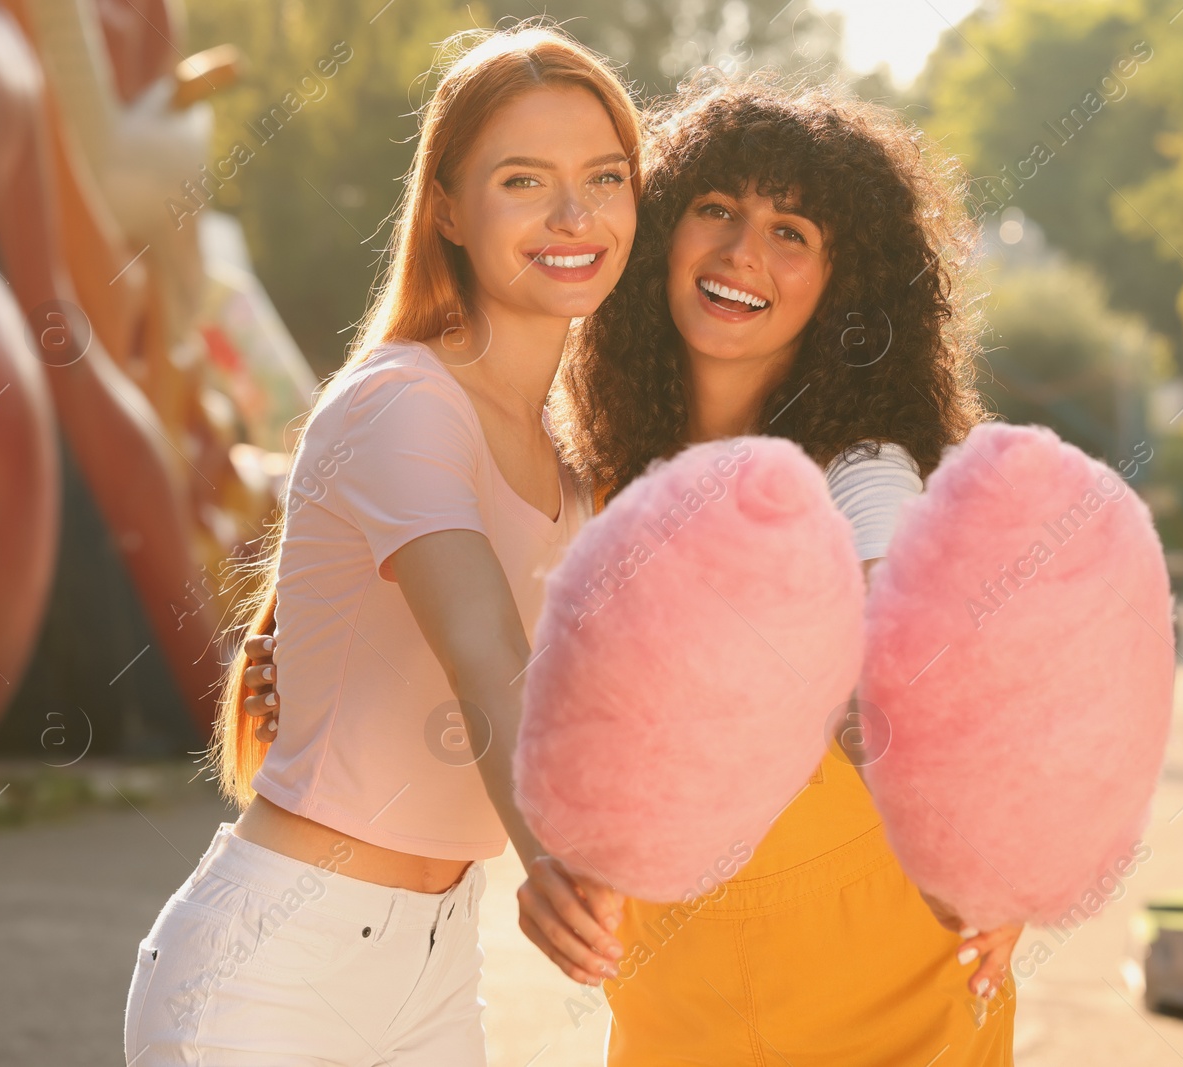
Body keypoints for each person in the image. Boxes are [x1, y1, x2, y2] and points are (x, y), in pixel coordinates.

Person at [248, 76, 1021, 1064]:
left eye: (793, 231)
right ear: (660, 231)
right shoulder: (591, 478)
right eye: (717, 209)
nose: (744, 251)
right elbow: (500, 658)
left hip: (876, 978)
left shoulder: (861, 470)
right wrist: (320, 668)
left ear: (844, 281)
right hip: (676, 993)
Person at [122, 26, 638, 1066]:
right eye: (524, 180)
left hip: (439, 964)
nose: (574, 215)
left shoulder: (575, 458)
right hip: (271, 969)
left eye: (605, 177)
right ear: (445, 206)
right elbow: (482, 646)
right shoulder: (404, 403)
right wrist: (550, 855)